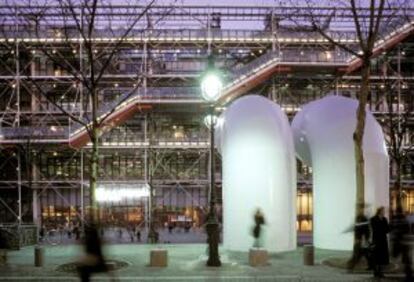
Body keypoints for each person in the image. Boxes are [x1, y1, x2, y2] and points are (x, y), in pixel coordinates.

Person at [347, 205, 373, 271]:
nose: (359, 210)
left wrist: (366, 239)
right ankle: (351, 266)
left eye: (360, 209)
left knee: (362, 253)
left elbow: (366, 230)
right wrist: (357, 238)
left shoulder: (364, 218)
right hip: (360, 240)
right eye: (359, 209)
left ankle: (351, 266)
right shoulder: (359, 218)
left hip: (362, 240)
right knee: (361, 253)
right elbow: (357, 229)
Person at [390, 206, 412, 281]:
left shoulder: (394, 219)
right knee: (406, 259)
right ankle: (408, 274)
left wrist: (393, 237)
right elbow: (408, 229)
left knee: (396, 256)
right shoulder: (404, 219)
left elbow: (391, 228)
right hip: (403, 241)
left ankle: (405, 271)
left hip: (397, 241)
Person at [370, 206, 390, 278]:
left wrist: (388, 228)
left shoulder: (385, 219)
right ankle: (375, 271)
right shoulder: (373, 219)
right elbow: (375, 229)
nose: (384, 212)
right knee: (376, 256)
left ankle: (380, 272)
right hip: (376, 240)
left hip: (383, 241)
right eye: (383, 211)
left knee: (382, 257)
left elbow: (387, 230)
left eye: (384, 211)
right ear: (379, 211)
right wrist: (383, 229)